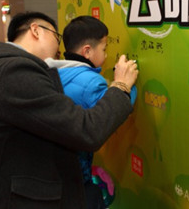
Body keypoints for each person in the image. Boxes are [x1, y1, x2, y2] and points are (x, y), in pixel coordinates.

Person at [0, 11, 138, 209]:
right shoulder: (14, 72)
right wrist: (121, 85)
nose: (59, 48)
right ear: (36, 31)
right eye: (56, 37)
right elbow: (87, 130)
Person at [47, 16, 138, 209]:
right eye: (104, 49)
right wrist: (127, 84)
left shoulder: (56, 73)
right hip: (78, 175)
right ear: (87, 51)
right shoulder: (91, 82)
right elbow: (113, 113)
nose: (106, 55)